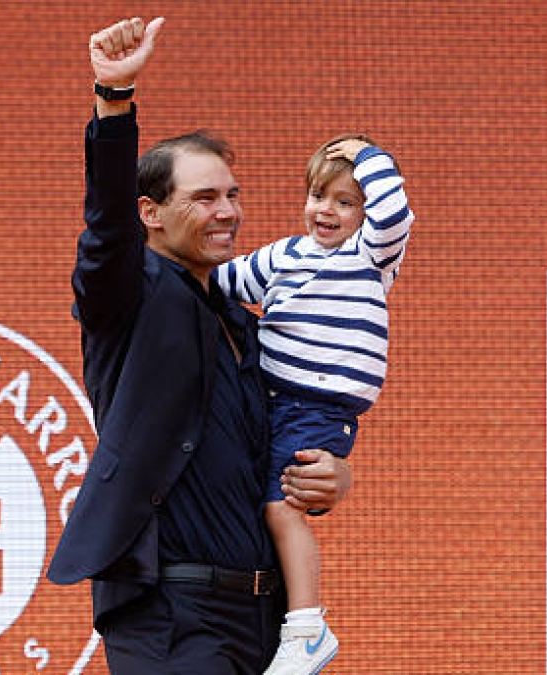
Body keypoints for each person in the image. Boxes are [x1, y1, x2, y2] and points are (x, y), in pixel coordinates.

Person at [46, 16, 353, 674]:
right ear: (151, 212)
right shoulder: (129, 295)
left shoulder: (243, 322)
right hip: (170, 613)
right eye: (205, 197)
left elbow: (275, 449)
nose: (228, 212)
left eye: (234, 196)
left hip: (260, 618)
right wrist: (114, 99)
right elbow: (106, 228)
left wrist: (328, 476)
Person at [215, 130, 414, 674]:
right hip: (269, 401)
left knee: (284, 506)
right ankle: (290, 617)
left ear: (366, 215)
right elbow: (217, 283)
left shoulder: (369, 255)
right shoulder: (283, 254)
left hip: (320, 410)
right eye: (317, 196)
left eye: (346, 202)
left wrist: (365, 155)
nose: (326, 211)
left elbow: (395, 211)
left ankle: (307, 626)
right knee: (263, 502)